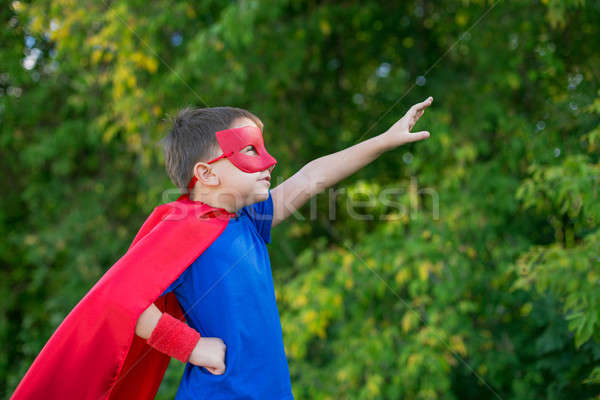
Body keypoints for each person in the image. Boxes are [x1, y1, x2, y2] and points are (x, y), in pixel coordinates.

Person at [11, 97, 432, 400]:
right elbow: (120, 300)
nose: (269, 161)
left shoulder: (248, 220)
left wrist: (383, 140)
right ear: (207, 174)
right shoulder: (178, 227)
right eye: (250, 151)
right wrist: (190, 346)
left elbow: (311, 177)